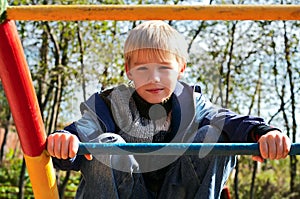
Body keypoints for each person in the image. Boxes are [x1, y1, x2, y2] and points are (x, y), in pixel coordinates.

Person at [47, 20, 291, 199]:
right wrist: (66, 141)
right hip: (125, 192)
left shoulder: (191, 104)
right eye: (143, 69)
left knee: (213, 135)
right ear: (128, 71)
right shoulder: (110, 104)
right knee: (105, 141)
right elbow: (83, 130)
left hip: (179, 191)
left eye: (164, 68)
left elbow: (228, 120)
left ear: (181, 68)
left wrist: (263, 132)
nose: (154, 78)